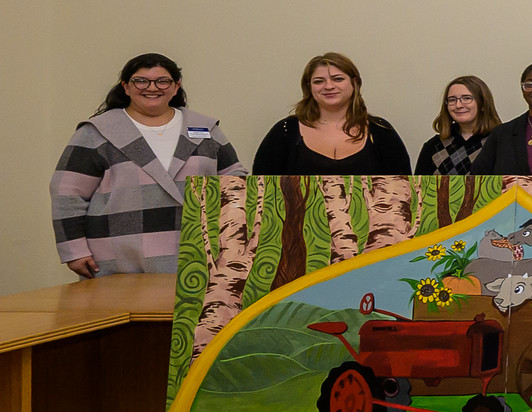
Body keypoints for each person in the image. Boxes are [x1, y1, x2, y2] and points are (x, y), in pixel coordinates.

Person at [51, 54, 247, 278]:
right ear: (126, 86)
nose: (152, 88)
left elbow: (236, 182)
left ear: (176, 87)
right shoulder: (97, 132)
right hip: (119, 261)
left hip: (198, 257)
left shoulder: (205, 129)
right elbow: (66, 193)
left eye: (163, 81)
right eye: (141, 81)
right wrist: (74, 250)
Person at [251, 53, 410, 175]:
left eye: (337, 79)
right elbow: (261, 192)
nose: (328, 86)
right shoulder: (285, 131)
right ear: (309, 87)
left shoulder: (380, 130)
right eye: (319, 81)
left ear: (354, 83)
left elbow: (404, 193)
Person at [414, 76, 501, 175]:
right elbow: (419, 188)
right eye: (452, 100)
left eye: (467, 98)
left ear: (483, 103)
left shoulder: (501, 142)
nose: (458, 105)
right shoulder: (433, 146)